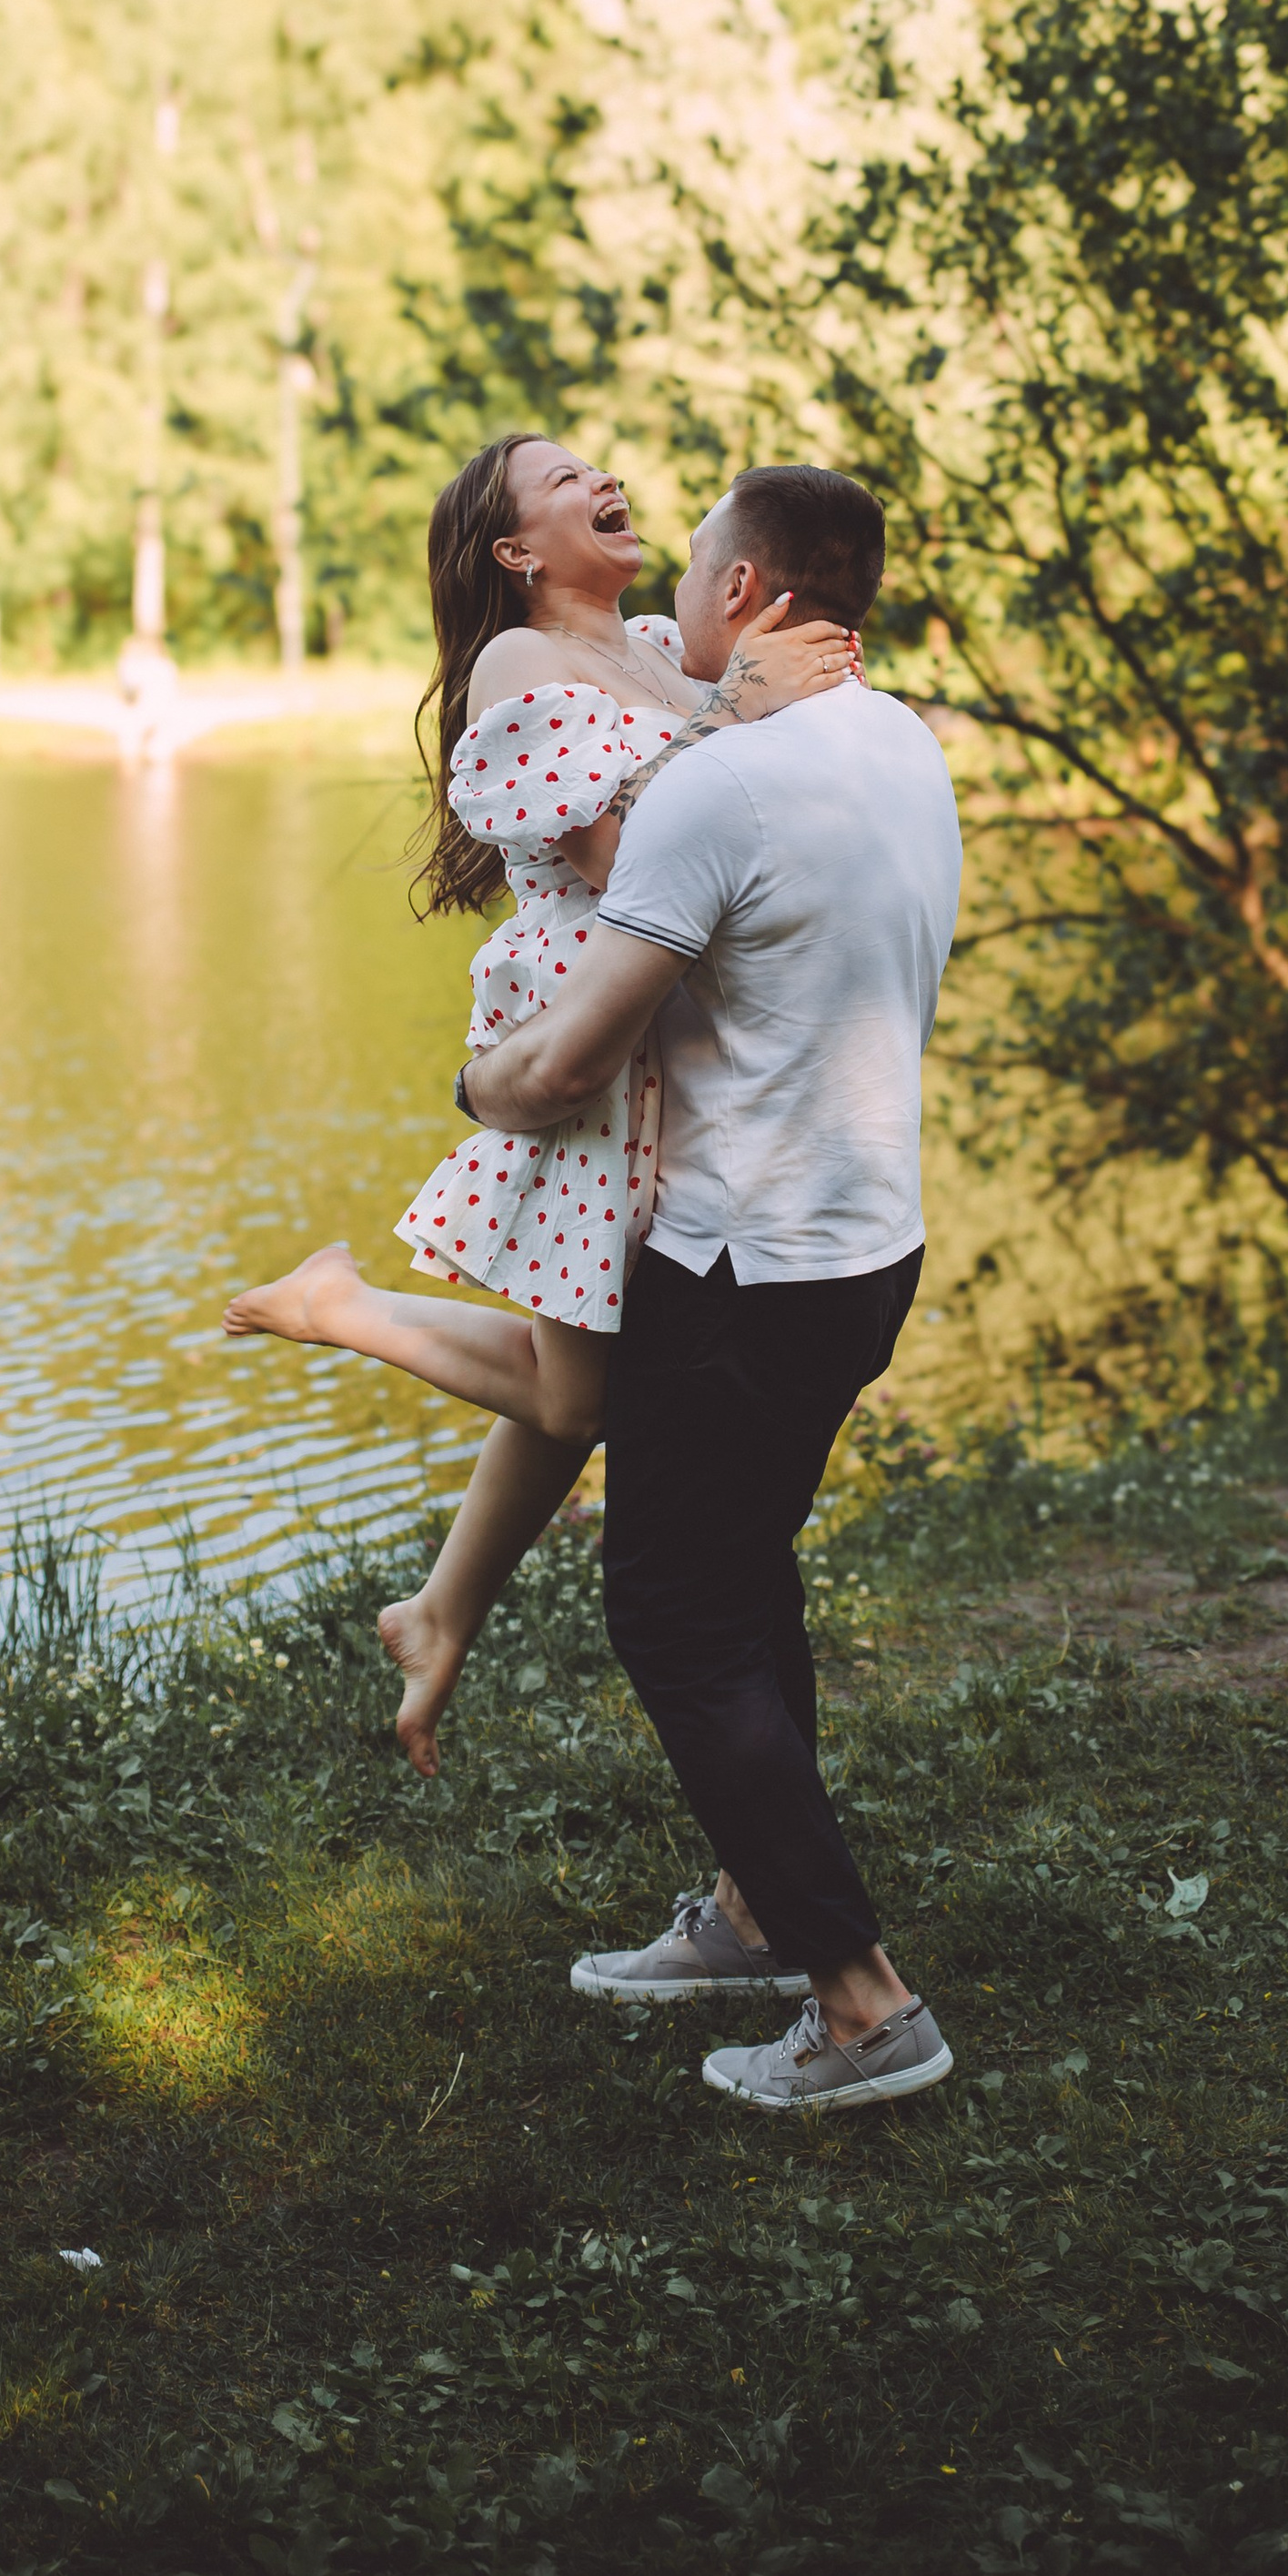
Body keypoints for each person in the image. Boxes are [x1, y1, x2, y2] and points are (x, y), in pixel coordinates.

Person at [450, 463, 962, 2116]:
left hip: (740, 1265)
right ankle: (754, 1911)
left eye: (693, 569)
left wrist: (479, 1092)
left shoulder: (713, 793)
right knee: (742, 1580)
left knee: (673, 1612)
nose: (671, 588)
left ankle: (864, 2004)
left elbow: (559, 1070)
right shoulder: (901, 742)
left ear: (743, 599)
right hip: (870, 1245)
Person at [222, 433, 854, 1767]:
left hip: (680, 1026)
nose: (602, 480)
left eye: (599, 466)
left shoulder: (652, 645)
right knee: (582, 1398)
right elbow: (628, 846)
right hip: (591, 1032)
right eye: (562, 479)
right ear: (515, 550)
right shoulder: (524, 660)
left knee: (601, 1358)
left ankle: (440, 1611)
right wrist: (738, 702)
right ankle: (342, 1305)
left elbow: (751, 788)